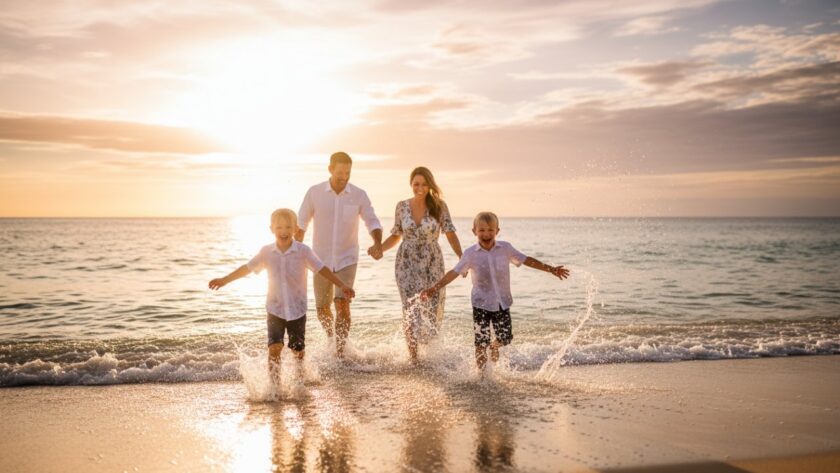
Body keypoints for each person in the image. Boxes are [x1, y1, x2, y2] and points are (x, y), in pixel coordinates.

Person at [209, 209, 355, 383]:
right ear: (272, 229)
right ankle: (274, 388)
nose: (283, 231)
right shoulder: (266, 252)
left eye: (288, 227)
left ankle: (300, 382)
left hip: (297, 310)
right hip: (275, 309)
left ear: (296, 229)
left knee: (297, 350)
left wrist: (341, 285)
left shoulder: (303, 251)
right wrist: (225, 280)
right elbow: (247, 268)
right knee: (274, 347)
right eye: (279, 227)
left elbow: (322, 268)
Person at [421, 211, 569, 372]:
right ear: (474, 231)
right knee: (480, 343)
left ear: (497, 231)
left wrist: (551, 269)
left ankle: (495, 346)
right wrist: (434, 288)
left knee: (505, 338)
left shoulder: (505, 248)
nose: (486, 234)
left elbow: (526, 260)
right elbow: (454, 272)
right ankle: (482, 377)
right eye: (482, 230)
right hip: (481, 303)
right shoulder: (470, 254)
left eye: (490, 230)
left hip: (502, 302)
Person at [295, 151, 383, 358]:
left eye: (348, 172)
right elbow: (301, 223)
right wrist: (293, 251)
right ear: (330, 169)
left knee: (342, 304)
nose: (344, 176)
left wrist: (377, 242)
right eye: (340, 172)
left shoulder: (359, 195)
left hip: (347, 258)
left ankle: (340, 352)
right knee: (322, 309)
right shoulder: (314, 193)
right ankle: (332, 339)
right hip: (319, 260)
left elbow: (372, 220)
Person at [379, 167, 462, 363]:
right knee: (410, 307)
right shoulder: (401, 206)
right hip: (405, 262)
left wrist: (461, 256)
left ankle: (429, 354)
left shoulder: (439, 206)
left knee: (430, 307)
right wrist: (379, 249)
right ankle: (413, 357)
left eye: (424, 184)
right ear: (411, 184)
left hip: (432, 262)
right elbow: (396, 235)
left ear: (430, 185)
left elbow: (449, 232)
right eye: (416, 184)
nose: (420, 188)